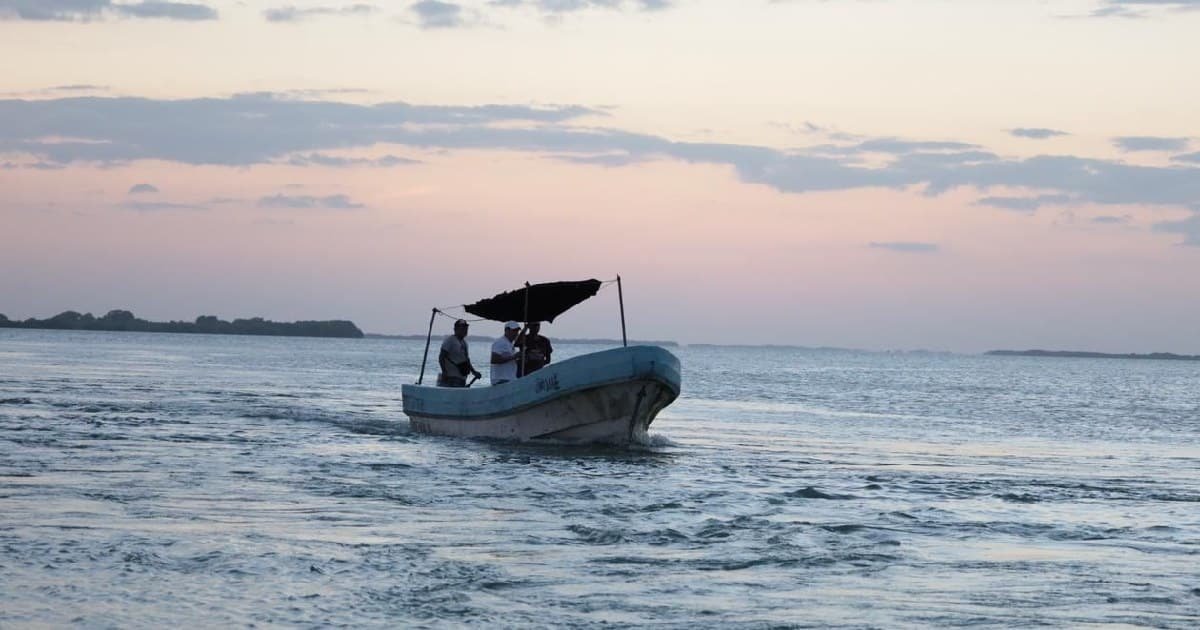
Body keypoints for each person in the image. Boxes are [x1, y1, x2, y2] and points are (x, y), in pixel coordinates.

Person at [437, 319, 480, 387]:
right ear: (455, 329)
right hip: (451, 378)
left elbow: (467, 360)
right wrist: (444, 372)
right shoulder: (450, 340)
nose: (465, 330)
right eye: (462, 328)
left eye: (466, 328)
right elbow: (441, 357)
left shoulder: (464, 343)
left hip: (462, 378)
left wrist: (474, 372)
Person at [490, 321, 522, 385]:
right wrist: (514, 357)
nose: (516, 333)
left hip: (509, 379)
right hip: (502, 380)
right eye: (514, 331)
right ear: (506, 330)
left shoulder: (510, 344)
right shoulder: (500, 342)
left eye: (517, 331)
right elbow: (494, 359)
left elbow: (510, 360)